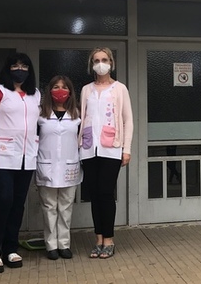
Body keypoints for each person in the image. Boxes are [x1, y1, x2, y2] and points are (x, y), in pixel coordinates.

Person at [0, 52, 41, 273]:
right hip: (1, 156)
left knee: (17, 203)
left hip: (26, 157)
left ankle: (10, 248)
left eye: (24, 66)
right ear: (8, 68)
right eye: (15, 65)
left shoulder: (35, 94)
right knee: (2, 199)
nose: (20, 69)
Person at [78, 47, 133, 259]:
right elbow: (82, 118)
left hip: (112, 149)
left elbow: (128, 120)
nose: (100, 63)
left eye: (104, 59)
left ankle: (109, 239)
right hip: (89, 149)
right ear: (91, 64)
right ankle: (98, 238)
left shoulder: (120, 89)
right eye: (96, 60)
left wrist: (126, 149)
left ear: (111, 62)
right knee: (94, 195)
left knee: (106, 193)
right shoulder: (86, 90)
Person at [36, 75, 82, 260]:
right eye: (56, 87)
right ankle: (51, 245)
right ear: (49, 91)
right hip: (46, 166)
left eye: (64, 87)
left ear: (70, 92)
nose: (60, 90)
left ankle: (64, 244)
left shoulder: (77, 115)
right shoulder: (40, 115)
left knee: (65, 207)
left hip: (70, 166)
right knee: (49, 207)